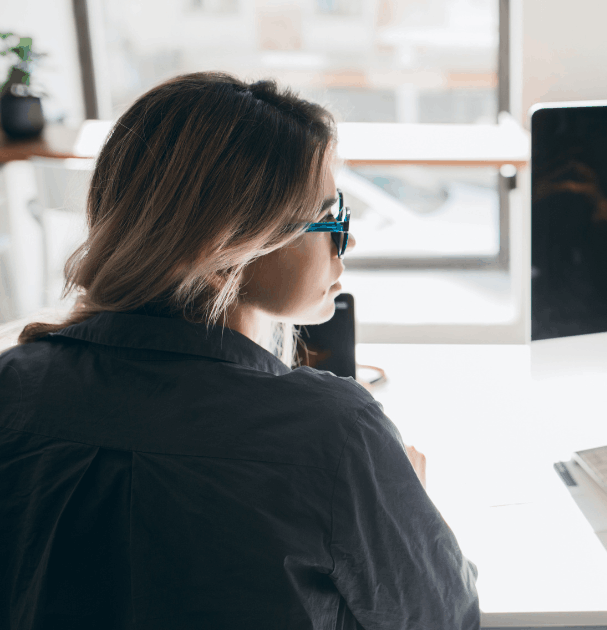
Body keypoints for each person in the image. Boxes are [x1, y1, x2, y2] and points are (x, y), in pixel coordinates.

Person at [0, 72, 479, 628]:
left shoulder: (12, 384)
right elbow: (445, 619)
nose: (346, 238)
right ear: (228, 247)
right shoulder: (334, 435)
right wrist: (408, 502)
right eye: (330, 216)